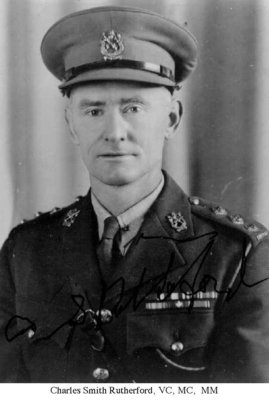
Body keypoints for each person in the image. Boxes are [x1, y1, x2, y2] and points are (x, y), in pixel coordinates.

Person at [0, 5, 269, 384]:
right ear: (71, 125)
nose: (114, 131)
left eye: (133, 108)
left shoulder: (236, 256)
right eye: (93, 111)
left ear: (172, 119)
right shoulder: (24, 253)